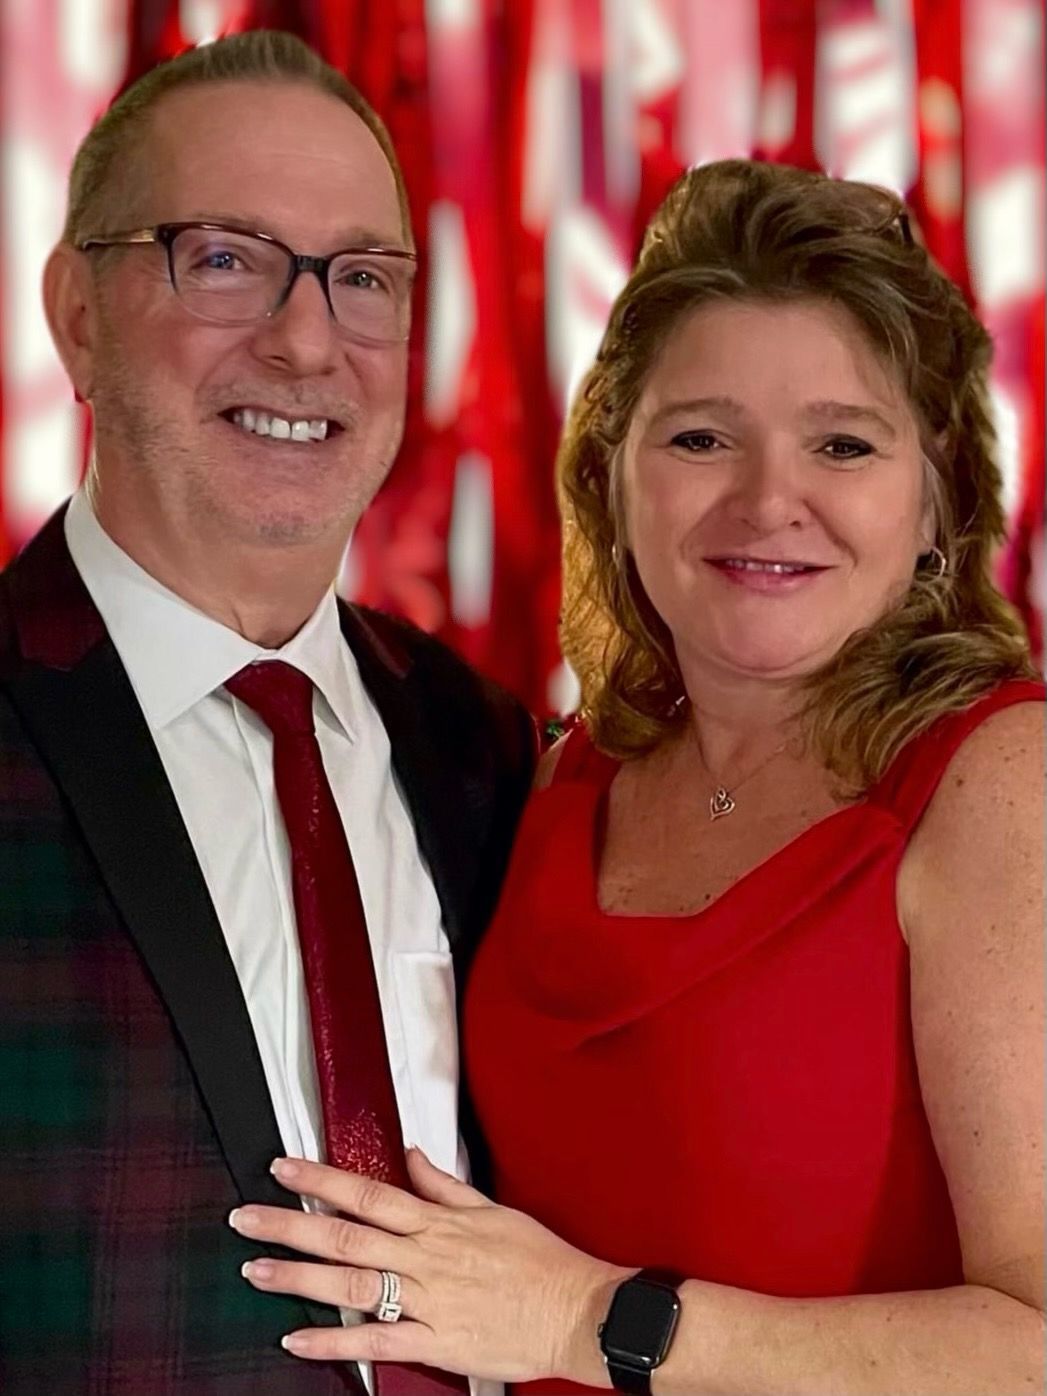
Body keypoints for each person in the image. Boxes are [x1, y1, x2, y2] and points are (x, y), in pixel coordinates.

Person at [231, 160, 1045, 1394]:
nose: (770, 500)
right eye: (702, 437)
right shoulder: (555, 773)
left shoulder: (999, 782)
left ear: (937, 502)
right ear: (613, 477)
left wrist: (589, 1321)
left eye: (843, 443)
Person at [0, 30, 534, 1396]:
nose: (305, 342)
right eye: (226, 260)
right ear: (76, 314)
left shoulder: (488, 751)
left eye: (361, 278)